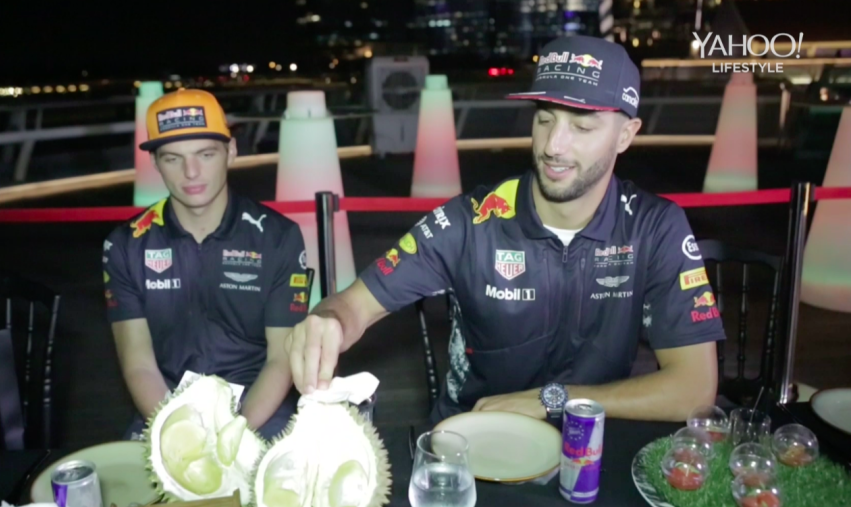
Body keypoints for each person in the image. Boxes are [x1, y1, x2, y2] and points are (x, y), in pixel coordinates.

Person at [285, 36, 726, 424]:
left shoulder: (654, 227)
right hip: (472, 441)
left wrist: (551, 401)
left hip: (590, 437)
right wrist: (327, 320)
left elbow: (694, 389)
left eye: (582, 126)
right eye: (545, 118)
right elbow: (355, 306)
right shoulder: (468, 221)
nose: (554, 145)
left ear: (626, 135)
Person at [104, 89, 310, 440]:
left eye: (206, 153)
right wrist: (177, 434)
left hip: (260, 405)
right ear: (154, 162)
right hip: (164, 408)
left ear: (231, 151)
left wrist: (234, 434)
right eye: (172, 158)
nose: (191, 172)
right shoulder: (125, 244)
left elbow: (281, 359)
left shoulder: (279, 237)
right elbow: (138, 364)